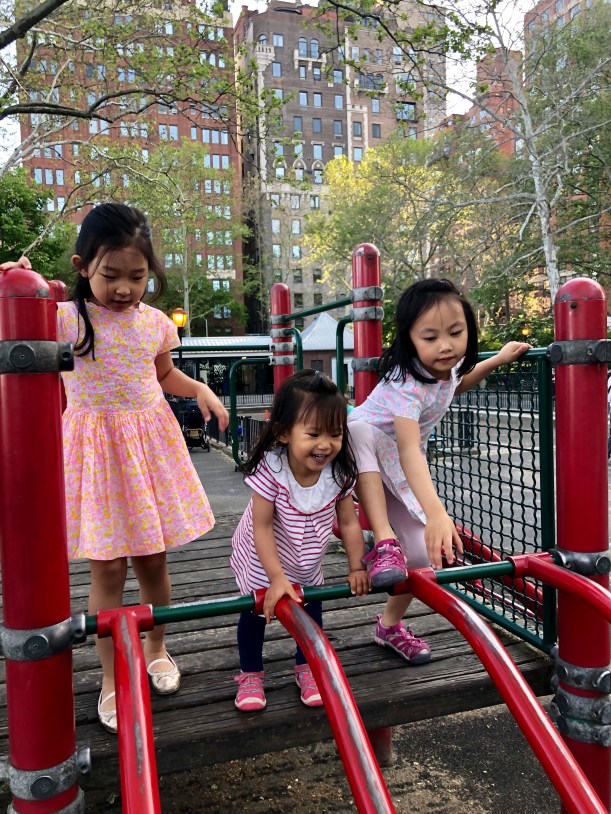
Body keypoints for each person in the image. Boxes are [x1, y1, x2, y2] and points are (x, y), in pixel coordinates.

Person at [0, 203, 229, 734]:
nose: (125, 288)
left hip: (147, 451)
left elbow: (163, 375)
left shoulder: (153, 323)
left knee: (153, 562)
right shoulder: (64, 319)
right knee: (106, 569)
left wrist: (199, 388)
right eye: (111, 275)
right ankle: (109, 676)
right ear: (83, 266)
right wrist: (11, 281)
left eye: (137, 276)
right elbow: (12, 325)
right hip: (96, 454)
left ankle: (156, 648)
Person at [348, 278, 531, 665]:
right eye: (430, 337)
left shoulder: (445, 370)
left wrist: (497, 360)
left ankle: (388, 626)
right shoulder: (406, 382)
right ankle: (383, 541)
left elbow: (456, 385)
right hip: (362, 456)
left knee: (418, 556)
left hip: (395, 467)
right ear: (409, 339)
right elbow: (408, 448)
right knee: (359, 428)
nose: (445, 345)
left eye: (455, 333)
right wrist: (435, 512)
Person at [230, 369, 370, 712]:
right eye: (313, 434)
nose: (325, 445)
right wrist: (276, 578)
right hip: (264, 556)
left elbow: (349, 522)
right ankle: (250, 673)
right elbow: (262, 526)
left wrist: (356, 566)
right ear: (283, 432)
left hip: (307, 555)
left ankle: (306, 666)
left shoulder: (339, 472)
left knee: (312, 608)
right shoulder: (272, 469)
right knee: (255, 612)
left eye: (335, 434)